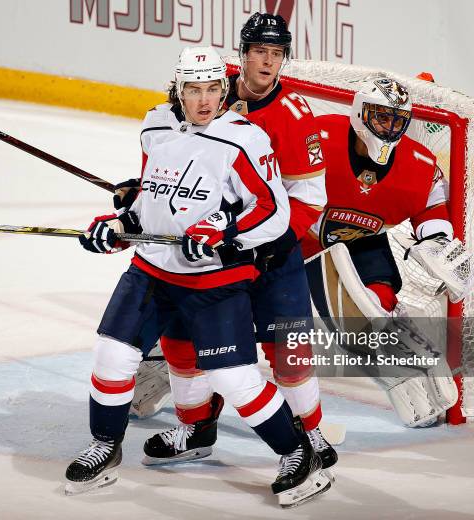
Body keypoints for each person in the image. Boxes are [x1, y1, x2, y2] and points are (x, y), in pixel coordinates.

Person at [67, 45, 328, 507]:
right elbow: (153, 199)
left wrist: (223, 228)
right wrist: (121, 226)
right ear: (178, 90)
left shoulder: (244, 139)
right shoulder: (155, 125)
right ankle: (105, 447)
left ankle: (297, 453)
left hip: (214, 279)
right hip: (152, 269)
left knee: (232, 378)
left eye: (213, 89)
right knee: (111, 353)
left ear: (223, 90)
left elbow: (272, 211)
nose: (205, 100)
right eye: (194, 90)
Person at [138, 12, 338, 471]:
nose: (268, 63)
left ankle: (312, 433)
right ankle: (196, 427)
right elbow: (169, 140)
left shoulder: (293, 116)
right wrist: (142, 187)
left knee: (289, 353)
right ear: (243, 54)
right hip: (209, 252)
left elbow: (310, 198)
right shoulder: (211, 87)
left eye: (277, 55)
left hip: (271, 253)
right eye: (259, 52)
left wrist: (258, 238)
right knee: (183, 339)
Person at [302, 77, 472, 427]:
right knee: (343, 321)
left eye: (397, 120)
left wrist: (437, 240)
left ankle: (400, 334)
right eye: (381, 117)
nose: (389, 128)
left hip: (365, 240)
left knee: (372, 304)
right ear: (359, 113)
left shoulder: (417, 163)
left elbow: (432, 203)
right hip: (301, 240)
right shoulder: (320, 136)